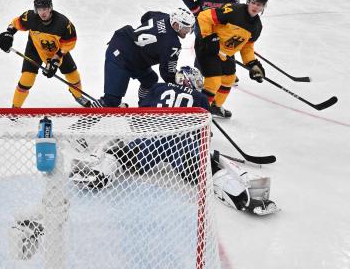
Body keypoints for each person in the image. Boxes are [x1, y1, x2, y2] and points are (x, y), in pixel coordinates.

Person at [71, 66, 278, 216]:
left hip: (152, 138)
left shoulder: (158, 88)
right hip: (181, 143)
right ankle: (242, 196)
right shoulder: (201, 99)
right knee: (207, 167)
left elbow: (141, 117)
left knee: (119, 151)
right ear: (192, 81)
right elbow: (202, 133)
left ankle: (100, 174)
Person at [0, 0, 91, 107]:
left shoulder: (63, 23)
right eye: (39, 9)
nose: (43, 12)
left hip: (56, 50)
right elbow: (14, 24)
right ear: (36, 9)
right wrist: (8, 34)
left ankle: (78, 95)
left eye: (45, 8)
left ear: (50, 7)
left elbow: (70, 42)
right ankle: (15, 108)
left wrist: (56, 59)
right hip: (35, 49)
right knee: (27, 78)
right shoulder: (30, 17)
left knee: (73, 75)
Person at [98, 7, 195, 107]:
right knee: (111, 101)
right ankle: (87, 117)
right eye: (186, 28)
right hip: (121, 55)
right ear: (176, 25)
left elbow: (146, 16)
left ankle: (144, 105)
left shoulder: (163, 16)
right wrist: (181, 84)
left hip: (131, 50)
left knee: (150, 80)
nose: (188, 31)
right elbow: (167, 73)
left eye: (190, 28)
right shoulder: (172, 43)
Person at [194, 0, 268, 118]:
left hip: (226, 53)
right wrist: (208, 37)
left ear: (263, 7)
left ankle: (215, 107)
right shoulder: (233, 10)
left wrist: (252, 64)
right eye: (254, 2)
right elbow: (204, 16)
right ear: (249, 1)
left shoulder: (257, 27)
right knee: (213, 82)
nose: (256, 7)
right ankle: (200, 114)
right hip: (207, 47)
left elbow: (247, 47)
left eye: (260, 4)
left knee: (229, 79)